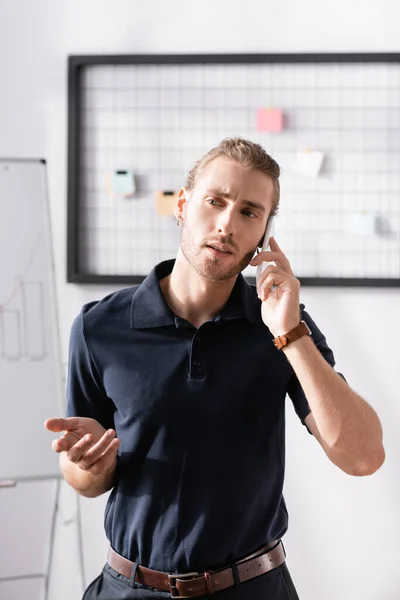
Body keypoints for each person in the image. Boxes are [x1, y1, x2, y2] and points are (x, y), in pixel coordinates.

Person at [45, 138, 385, 600]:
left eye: (249, 212)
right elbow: (86, 480)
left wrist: (289, 333)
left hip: (254, 589)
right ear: (183, 205)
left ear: (265, 231)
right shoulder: (99, 326)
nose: (227, 224)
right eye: (215, 202)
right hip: (128, 589)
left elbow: (363, 457)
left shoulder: (285, 328)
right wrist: (87, 465)